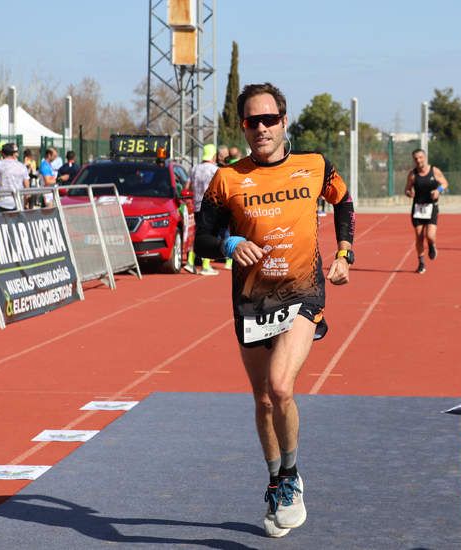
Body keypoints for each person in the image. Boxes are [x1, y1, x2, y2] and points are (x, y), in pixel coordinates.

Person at [194, 82, 355, 538]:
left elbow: (342, 200)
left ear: (284, 121)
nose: (261, 128)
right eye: (251, 121)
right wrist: (229, 242)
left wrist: (345, 252)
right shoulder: (226, 179)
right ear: (243, 127)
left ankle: (292, 476)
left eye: (269, 119)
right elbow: (201, 240)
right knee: (263, 398)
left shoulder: (315, 165)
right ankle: (277, 480)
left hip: (303, 293)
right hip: (251, 300)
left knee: (282, 386)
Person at [404, 148, 448, 273]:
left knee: (430, 235)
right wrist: (409, 193)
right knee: (419, 236)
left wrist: (438, 191)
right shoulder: (412, 174)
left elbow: (445, 183)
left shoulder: (434, 171)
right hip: (418, 208)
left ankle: (432, 245)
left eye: (420, 157)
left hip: (431, 206)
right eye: (416, 159)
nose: (418, 160)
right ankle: (421, 263)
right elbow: (406, 189)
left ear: (425, 157)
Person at [185, 144, 221, 275]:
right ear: (213, 155)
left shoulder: (195, 168)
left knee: (197, 234)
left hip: (196, 205)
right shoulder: (215, 170)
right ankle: (205, 266)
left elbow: (187, 186)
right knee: (208, 236)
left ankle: (190, 262)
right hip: (211, 206)